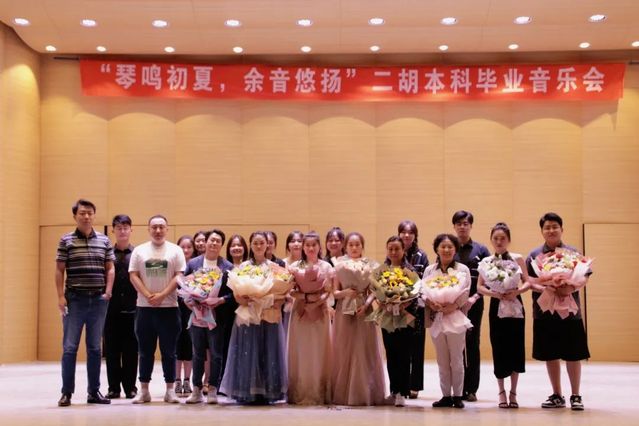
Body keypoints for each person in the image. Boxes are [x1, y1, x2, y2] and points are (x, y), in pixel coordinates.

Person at [526, 212, 590, 411]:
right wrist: (547, 287)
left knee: (573, 354)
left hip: (570, 312)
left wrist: (571, 286)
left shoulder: (573, 253)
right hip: (545, 312)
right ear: (542, 231)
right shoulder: (534, 255)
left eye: (555, 226)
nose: (551, 230)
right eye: (547, 227)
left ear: (562, 229)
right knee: (550, 353)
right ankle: (557, 394)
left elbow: (585, 276)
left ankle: (576, 395)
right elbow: (529, 281)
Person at [55, 199, 115, 407]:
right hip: (74, 300)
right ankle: (66, 392)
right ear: (75, 216)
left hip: (98, 300)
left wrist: (108, 291)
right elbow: (59, 270)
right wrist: (60, 296)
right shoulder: (66, 240)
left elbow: (110, 268)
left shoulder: (104, 240)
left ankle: (94, 391)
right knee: (69, 347)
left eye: (90, 213)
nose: (86, 216)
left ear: (94, 215)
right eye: (82, 213)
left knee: (95, 348)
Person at [220, 231, 288, 404]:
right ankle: (248, 391)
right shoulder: (242, 267)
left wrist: (269, 300)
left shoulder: (275, 267)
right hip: (249, 316)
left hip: (269, 315)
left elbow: (283, 294)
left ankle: (268, 392)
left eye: (262, 243)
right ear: (250, 245)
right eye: (255, 243)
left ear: (267, 245)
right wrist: (243, 299)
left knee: (268, 352)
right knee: (249, 353)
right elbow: (236, 294)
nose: (259, 246)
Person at [129, 215, 186, 404]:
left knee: (169, 352)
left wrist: (162, 295)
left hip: (169, 308)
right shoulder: (139, 251)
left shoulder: (176, 250)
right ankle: (144, 390)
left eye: (161, 227)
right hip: (144, 309)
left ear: (167, 229)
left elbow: (179, 276)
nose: (158, 230)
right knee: (145, 352)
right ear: (149, 229)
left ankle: (170, 390)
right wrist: (147, 295)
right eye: (154, 227)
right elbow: (133, 275)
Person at [477, 223, 531, 409]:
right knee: (499, 347)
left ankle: (513, 392)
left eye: (503, 238)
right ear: (491, 240)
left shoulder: (518, 258)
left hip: (515, 304)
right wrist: (495, 293)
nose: (499, 241)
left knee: (516, 347)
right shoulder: (486, 261)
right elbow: (479, 287)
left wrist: (517, 292)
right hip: (497, 304)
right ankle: (501, 392)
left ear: (509, 240)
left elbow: (527, 282)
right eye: (496, 238)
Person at [331, 232, 386, 405]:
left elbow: (374, 291)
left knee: (364, 349)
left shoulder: (371, 265)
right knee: (344, 349)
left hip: (365, 310)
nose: (354, 248)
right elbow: (335, 292)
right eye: (351, 245)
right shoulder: (339, 265)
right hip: (344, 310)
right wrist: (346, 293)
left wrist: (367, 303)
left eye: (357, 244)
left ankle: (365, 392)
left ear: (362, 246)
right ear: (345, 247)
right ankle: (345, 393)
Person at [184, 230, 236, 404]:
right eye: (211, 240)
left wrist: (219, 300)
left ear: (221, 245)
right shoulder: (193, 263)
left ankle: (213, 388)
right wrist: (189, 302)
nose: (214, 243)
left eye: (218, 241)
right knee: (197, 353)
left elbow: (233, 294)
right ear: (205, 242)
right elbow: (184, 286)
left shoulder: (228, 267)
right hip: (197, 316)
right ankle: (196, 390)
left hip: (217, 317)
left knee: (216, 354)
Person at [423, 234, 471, 409]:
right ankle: (445, 395)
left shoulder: (462, 269)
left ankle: (458, 395)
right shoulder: (430, 270)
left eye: (450, 246)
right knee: (442, 360)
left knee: (456, 359)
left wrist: (454, 305)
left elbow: (466, 291)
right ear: (437, 249)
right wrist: (431, 303)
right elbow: (422, 292)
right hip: (436, 318)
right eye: (443, 246)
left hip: (455, 317)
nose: (446, 250)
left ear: (455, 249)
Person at [287, 232, 334, 405]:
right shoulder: (294, 266)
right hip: (300, 312)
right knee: (302, 350)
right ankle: (300, 392)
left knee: (319, 350)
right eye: (307, 245)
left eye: (314, 245)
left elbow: (329, 290)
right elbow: (290, 291)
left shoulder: (326, 266)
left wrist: (317, 301)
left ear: (319, 247)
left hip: (320, 312)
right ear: (303, 247)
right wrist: (306, 297)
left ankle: (319, 392)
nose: (311, 248)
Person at [451, 210, 490, 401]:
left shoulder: (481, 250)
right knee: (454, 345)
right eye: (459, 223)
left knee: (472, 344)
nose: (462, 227)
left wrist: (473, 298)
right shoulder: (449, 248)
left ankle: (471, 388)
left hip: (474, 304)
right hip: (452, 306)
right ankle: (457, 388)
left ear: (471, 226)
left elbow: (489, 279)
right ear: (454, 226)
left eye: (465, 223)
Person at [104, 214, 138, 400]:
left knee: (131, 351)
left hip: (134, 310)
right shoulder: (107, 254)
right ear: (113, 230)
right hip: (110, 310)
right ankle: (113, 388)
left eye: (126, 227)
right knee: (112, 351)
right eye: (119, 228)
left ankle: (131, 387)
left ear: (131, 230)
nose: (122, 231)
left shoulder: (138, 254)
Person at [381, 236, 418, 407]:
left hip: (405, 317)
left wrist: (403, 304)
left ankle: (403, 391)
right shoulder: (382, 271)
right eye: (391, 249)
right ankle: (394, 390)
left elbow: (416, 294)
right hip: (388, 316)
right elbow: (376, 292)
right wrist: (385, 302)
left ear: (403, 250)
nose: (394, 252)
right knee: (391, 354)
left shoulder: (410, 270)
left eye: (397, 249)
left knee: (404, 355)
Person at [397, 220, 429, 399]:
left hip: (416, 308)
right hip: (397, 308)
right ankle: (401, 384)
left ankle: (415, 385)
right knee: (401, 347)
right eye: (403, 232)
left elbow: (424, 281)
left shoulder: (421, 256)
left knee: (417, 347)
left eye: (410, 232)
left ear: (415, 235)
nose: (407, 235)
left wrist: (409, 298)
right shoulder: (395, 252)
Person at [175, 235, 196, 396]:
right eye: (183, 247)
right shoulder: (174, 265)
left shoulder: (196, 267)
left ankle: (187, 380)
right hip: (175, 309)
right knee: (177, 345)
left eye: (189, 247)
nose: (186, 250)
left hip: (192, 310)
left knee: (189, 345)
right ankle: (177, 380)